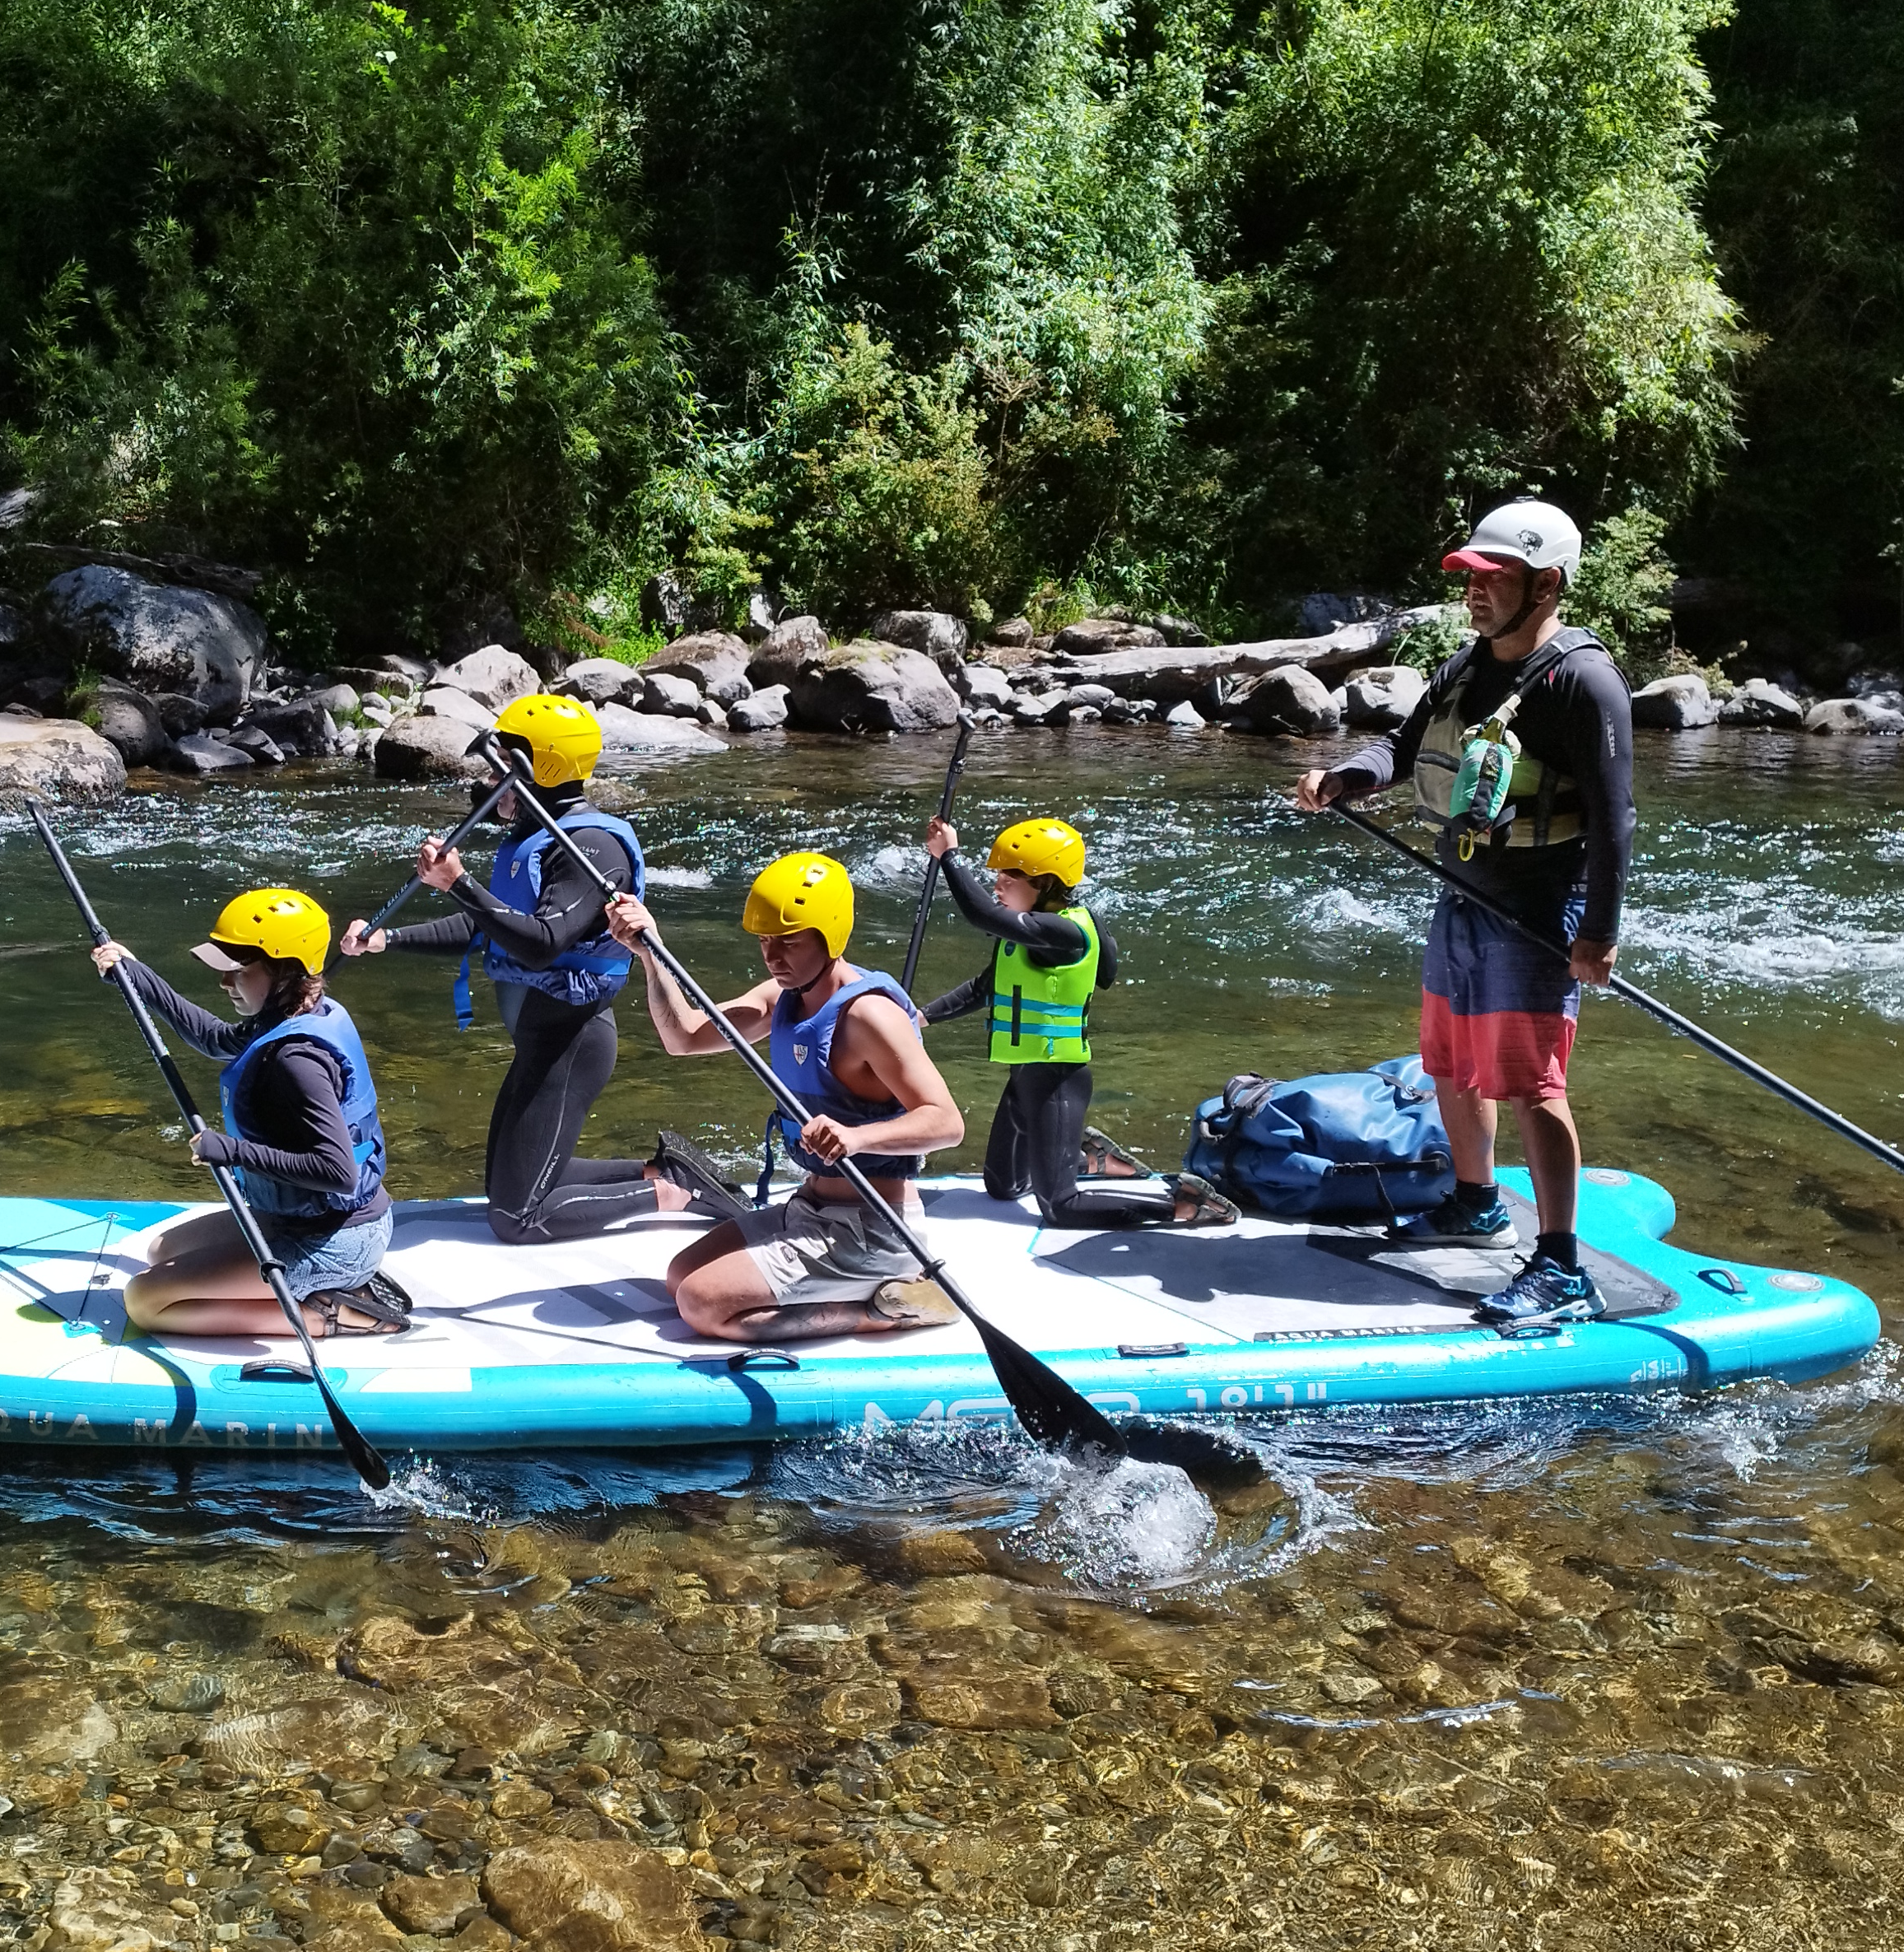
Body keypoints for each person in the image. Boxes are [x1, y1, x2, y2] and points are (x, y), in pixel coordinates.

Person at [1288, 498, 1635, 1326]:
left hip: (1541, 909)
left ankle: (1559, 1266)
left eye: (1494, 578)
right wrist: (1346, 778)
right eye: (1470, 578)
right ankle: (1476, 1203)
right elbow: (1402, 751)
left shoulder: (1583, 681)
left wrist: (1599, 935)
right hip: (1464, 893)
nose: (1474, 592)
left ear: (1546, 583)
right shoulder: (1467, 663)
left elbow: (1614, 818)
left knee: (1533, 1089)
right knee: (1446, 1063)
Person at [338, 693, 742, 1241]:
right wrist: (389, 939)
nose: (489, 778)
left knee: (515, 1217)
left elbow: (543, 944)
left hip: (571, 1042)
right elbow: (494, 930)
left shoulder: (592, 848)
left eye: (502, 764)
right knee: (505, 1185)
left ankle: (671, 1193)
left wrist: (459, 883)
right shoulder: (532, 838)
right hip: (539, 1040)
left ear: (540, 768)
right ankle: (659, 1169)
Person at [605, 852, 969, 1342]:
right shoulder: (784, 998)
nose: (773, 957)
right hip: (808, 1209)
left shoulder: (869, 1017)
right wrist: (650, 954)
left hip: (873, 1229)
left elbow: (946, 1122)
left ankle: (892, 1308)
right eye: (765, 942)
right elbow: (684, 1037)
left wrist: (856, 1137)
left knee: (702, 1305)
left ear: (830, 935)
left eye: (789, 943)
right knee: (679, 1275)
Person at [89, 885, 410, 1338]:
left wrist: (233, 1151)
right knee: (160, 1250)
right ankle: (334, 1289)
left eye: (237, 970)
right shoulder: (295, 1011)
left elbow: (338, 1173)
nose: (224, 982)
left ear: (284, 971)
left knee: (144, 1301)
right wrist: (135, 975)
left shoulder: (297, 1060)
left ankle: (335, 1314)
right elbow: (215, 1039)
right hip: (301, 1217)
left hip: (335, 1239)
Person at [915, 814, 1236, 1228]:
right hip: (1023, 1076)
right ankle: (1091, 1158)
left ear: (1046, 884)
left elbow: (981, 916)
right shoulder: (1031, 934)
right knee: (1001, 1187)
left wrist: (950, 857)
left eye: (1009, 879)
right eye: (996, 877)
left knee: (1060, 1207)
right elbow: (985, 988)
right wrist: (920, 1016)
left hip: (1058, 1080)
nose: (997, 886)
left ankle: (1185, 1207)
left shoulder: (1062, 933)